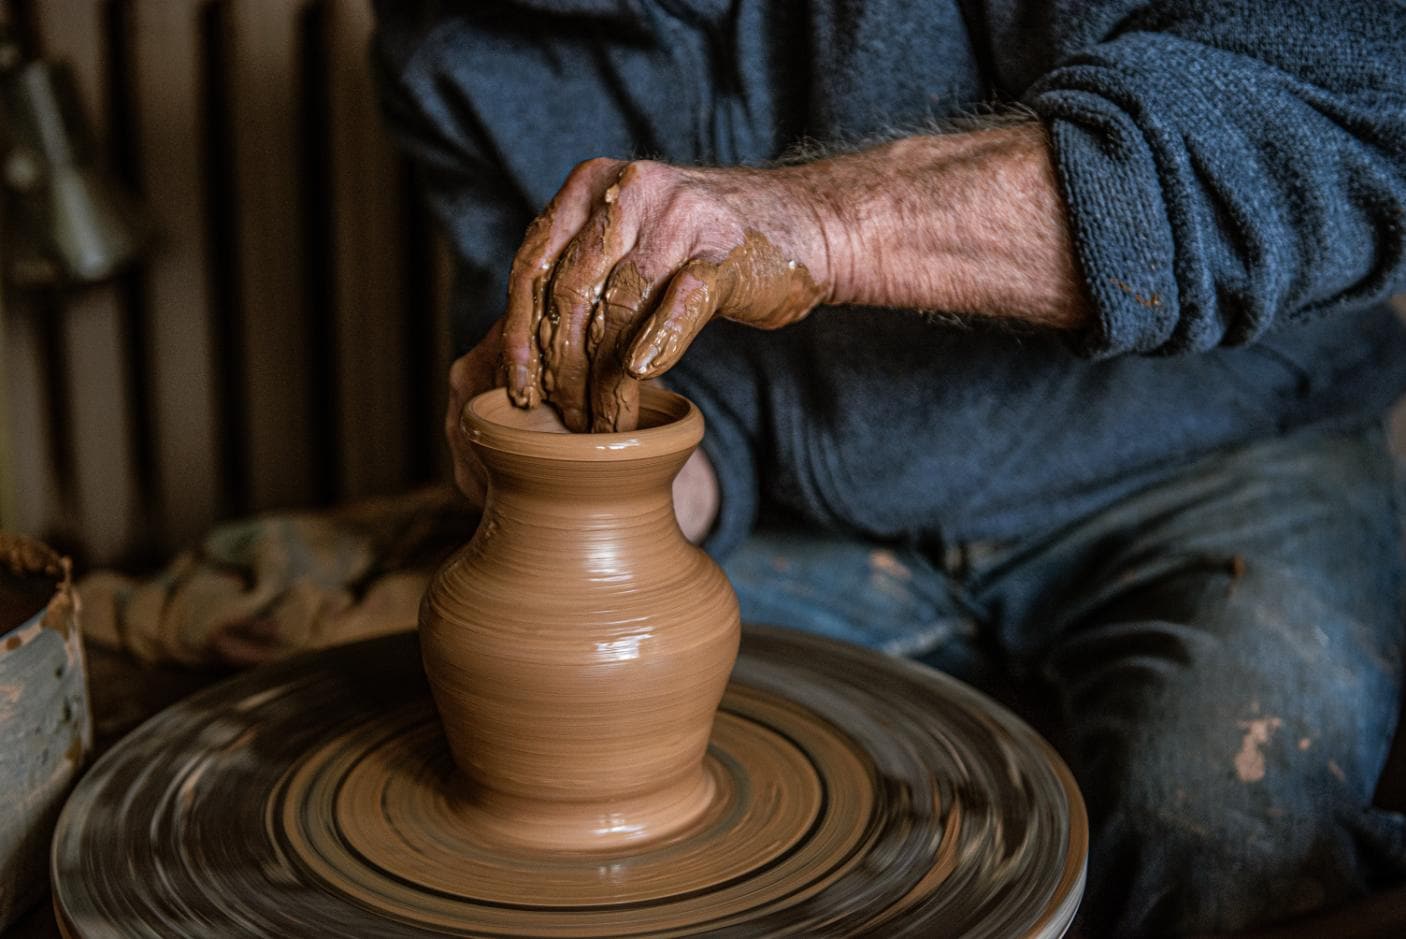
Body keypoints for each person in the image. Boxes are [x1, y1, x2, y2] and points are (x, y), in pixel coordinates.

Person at [372, 1, 1406, 934]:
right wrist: (602, 475)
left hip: (1214, 460)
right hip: (831, 522)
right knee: (506, 767)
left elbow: (1332, 125)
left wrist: (825, 223)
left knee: (1222, 854)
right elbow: (658, 388)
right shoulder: (455, 41)